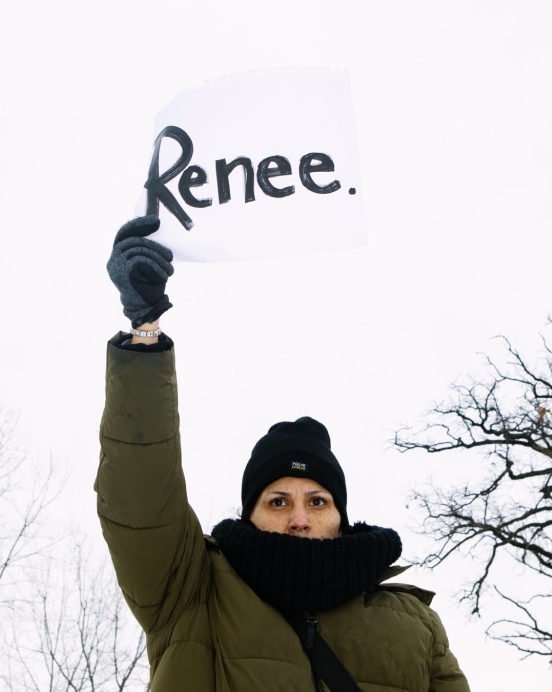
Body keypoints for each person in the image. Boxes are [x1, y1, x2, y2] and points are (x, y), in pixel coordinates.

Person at [98, 215, 470, 691]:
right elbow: (140, 499)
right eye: (278, 501)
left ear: (342, 515)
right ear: (249, 513)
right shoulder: (191, 593)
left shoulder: (417, 626)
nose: (299, 518)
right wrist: (144, 330)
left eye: (317, 500)